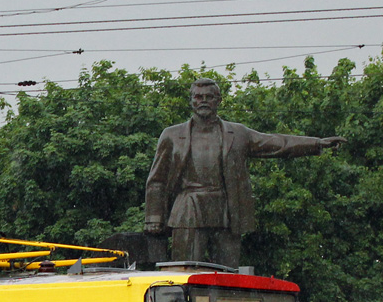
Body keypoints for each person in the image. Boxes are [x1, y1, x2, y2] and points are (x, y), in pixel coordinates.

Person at [145, 78, 346, 267]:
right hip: (188, 208)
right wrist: (154, 218)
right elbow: (157, 180)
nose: (203, 101)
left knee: (227, 276)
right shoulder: (171, 135)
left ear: (219, 101)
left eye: (209, 97)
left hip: (226, 208)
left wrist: (316, 143)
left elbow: (277, 143)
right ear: (191, 101)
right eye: (198, 97)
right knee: (185, 272)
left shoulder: (238, 133)